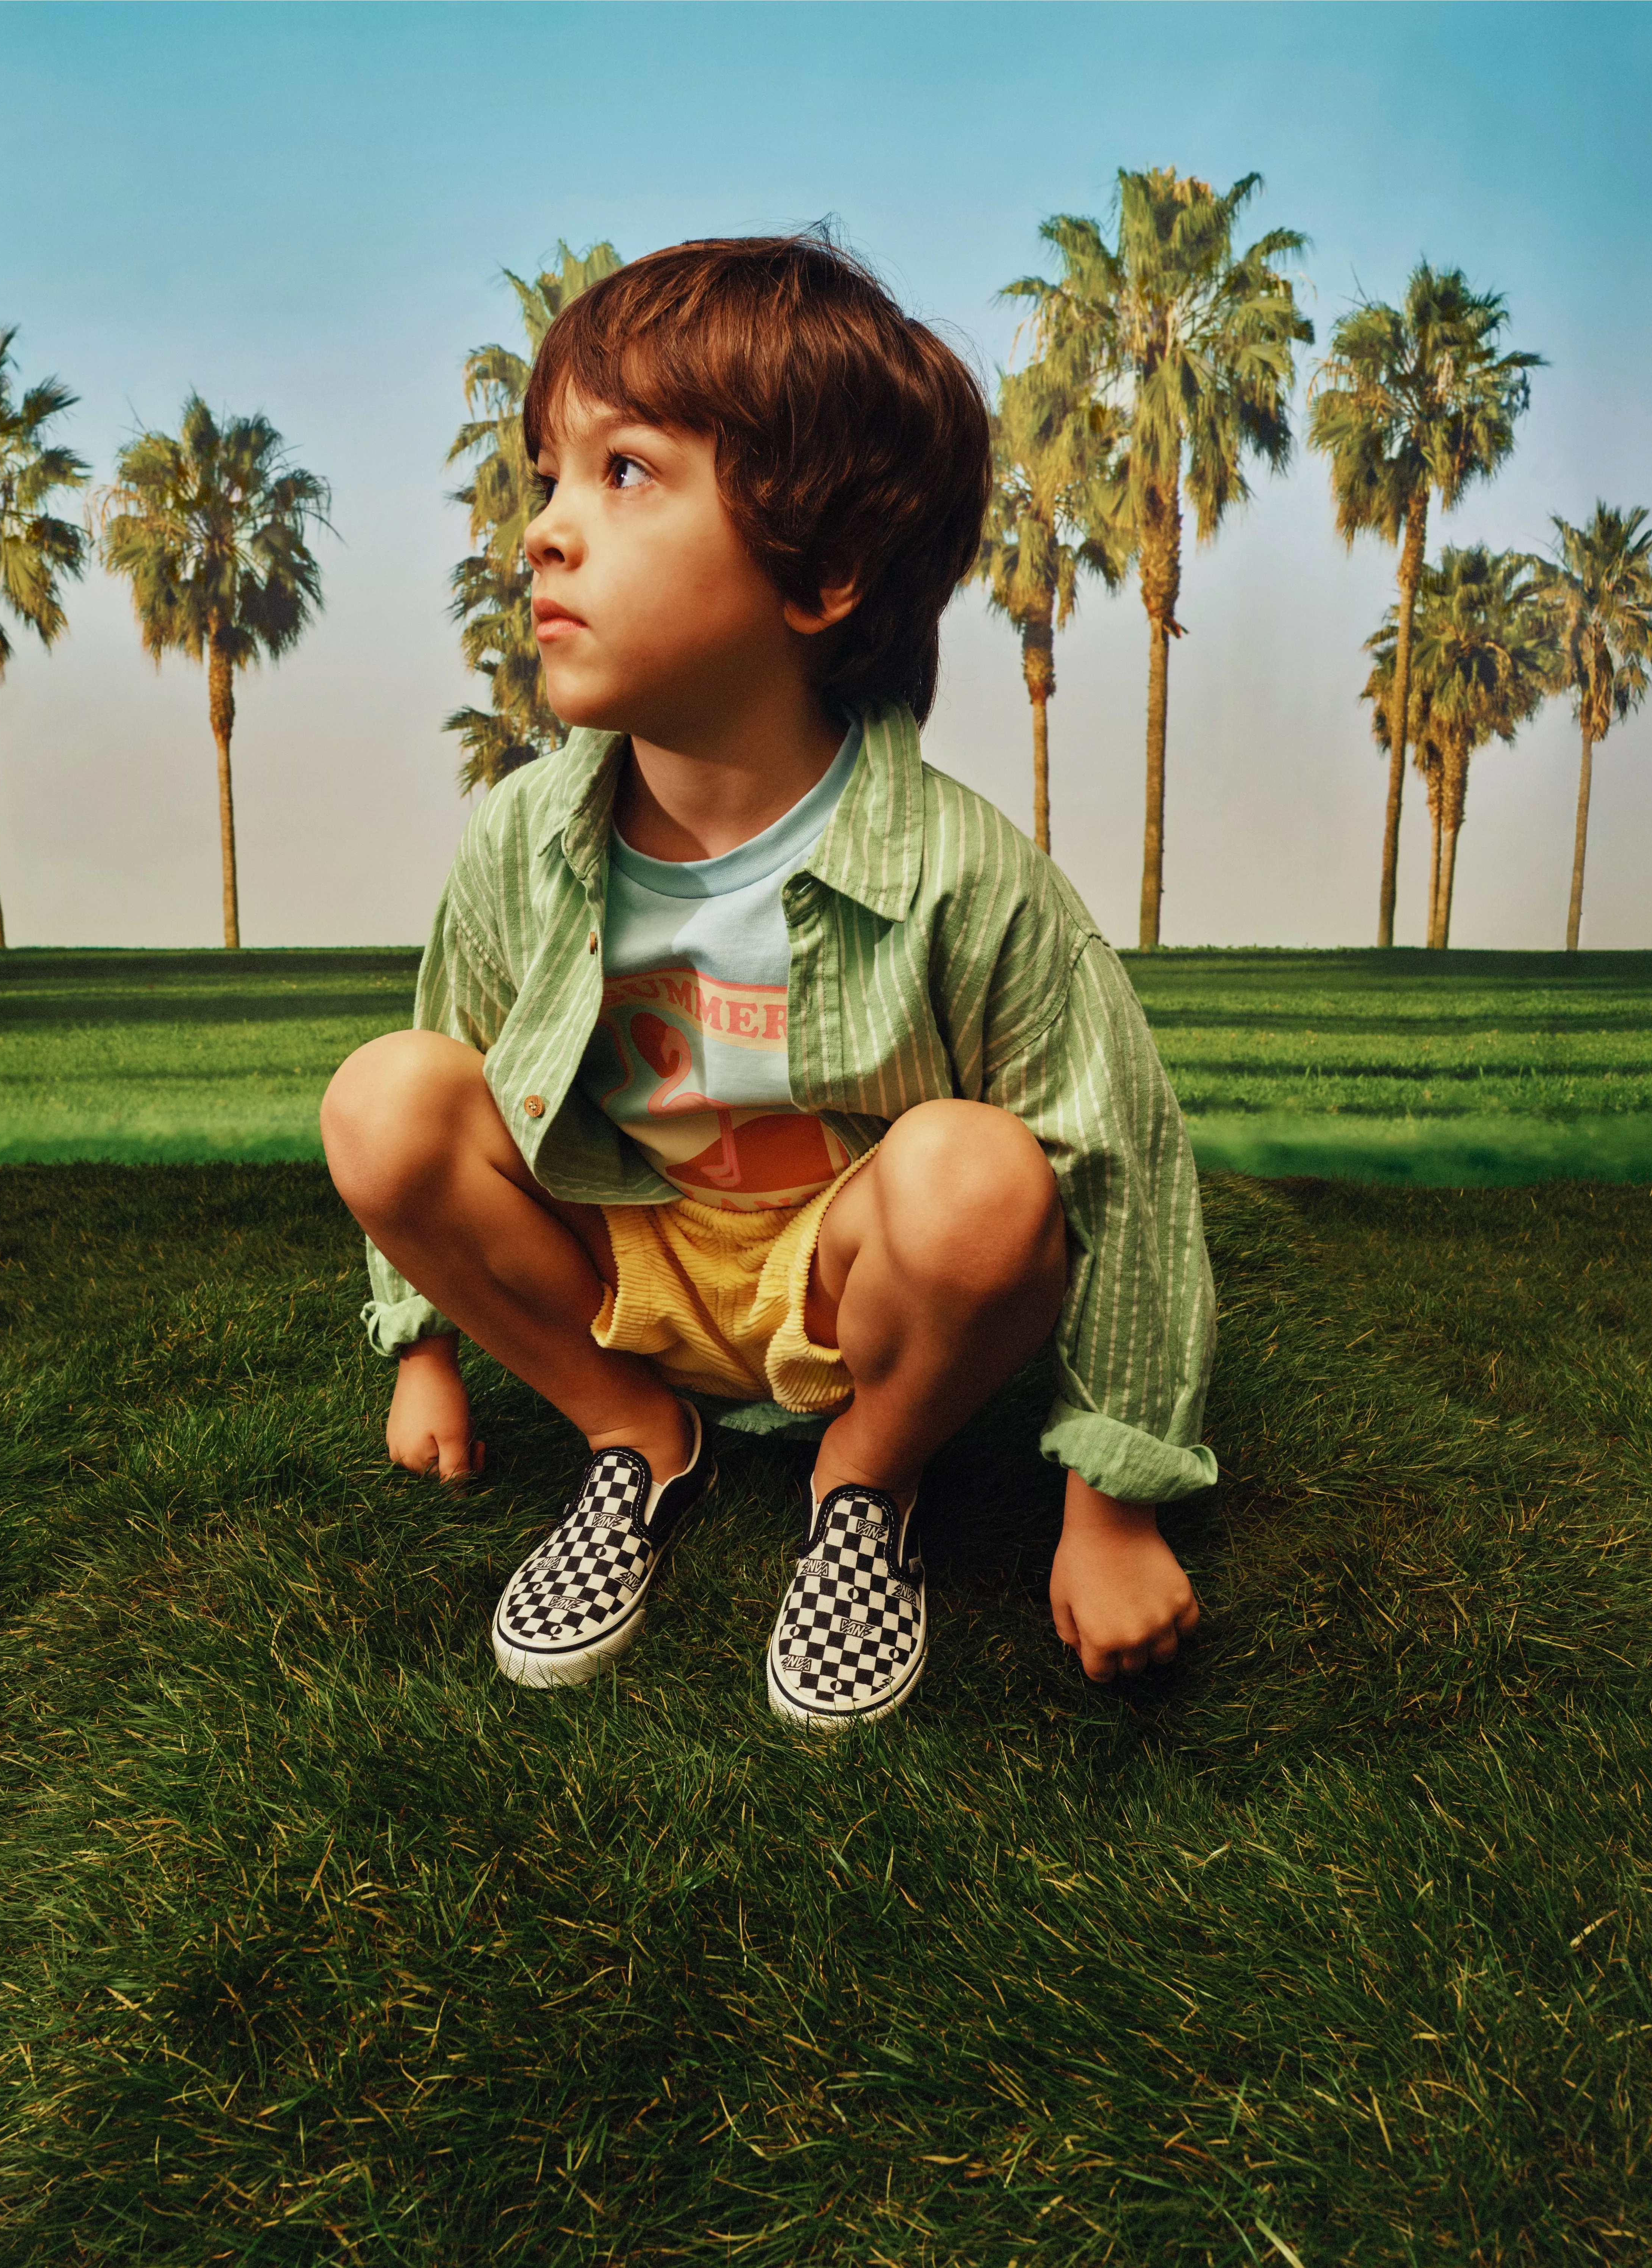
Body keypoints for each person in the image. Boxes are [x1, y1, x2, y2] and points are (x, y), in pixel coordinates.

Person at [320, 234, 1217, 1729]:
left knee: (981, 1178)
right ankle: (634, 1438)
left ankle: (865, 1478)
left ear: (821, 575)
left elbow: (1118, 1170)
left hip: (841, 1284)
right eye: (544, 475)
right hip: (623, 1264)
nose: (542, 531)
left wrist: (1110, 1504)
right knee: (382, 1100)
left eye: (622, 474)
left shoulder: (963, 875)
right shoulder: (525, 845)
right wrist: (420, 1348)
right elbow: (451, 1054)